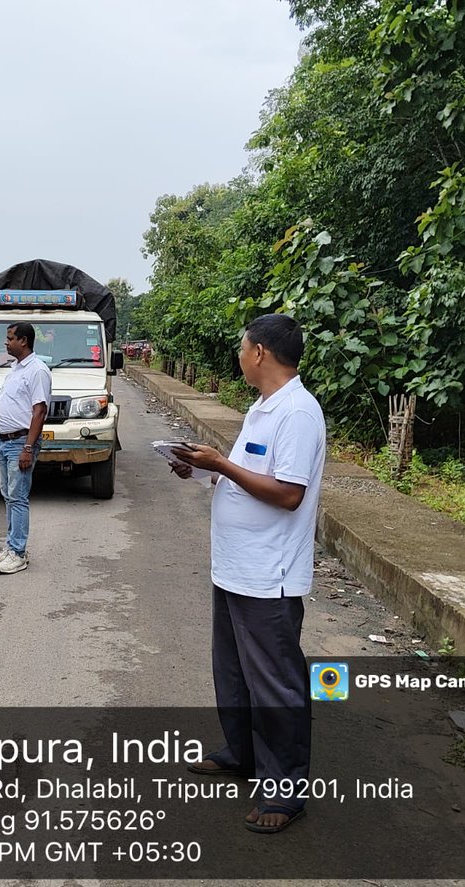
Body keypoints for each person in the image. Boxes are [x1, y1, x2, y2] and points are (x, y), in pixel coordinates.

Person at [171, 313, 326, 834]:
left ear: (259, 352)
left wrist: (221, 463)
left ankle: (286, 791)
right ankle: (242, 753)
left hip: (268, 573)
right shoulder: (262, 408)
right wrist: (201, 469)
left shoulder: (297, 413)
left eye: (242, 348)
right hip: (236, 566)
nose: (239, 357)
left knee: (275, 683)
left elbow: (288, 493)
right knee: (233, 671)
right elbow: (247, 478)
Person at [0, 322, 52, 575]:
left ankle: (18, 553)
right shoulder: (15, 368)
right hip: (5, 441)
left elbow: (40, 411)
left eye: (10, 338)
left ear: (23, 341)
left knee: (18, 497)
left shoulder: (37, 371)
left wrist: (27, 447)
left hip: (20, 443)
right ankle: (10, 546)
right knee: (8, 495)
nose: (6, 342)